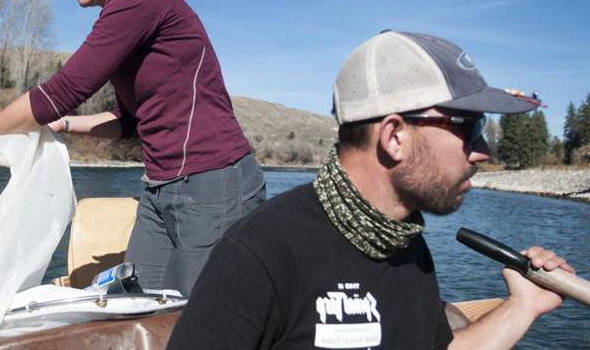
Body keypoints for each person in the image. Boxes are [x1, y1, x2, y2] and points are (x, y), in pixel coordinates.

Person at [167, 30, 574, 349]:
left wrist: (525, 305)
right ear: (394, 135)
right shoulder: (259, 253)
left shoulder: (405, 244)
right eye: (469, 128)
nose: (483, 152)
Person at [0, 0, 265, 297]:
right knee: (139, 306)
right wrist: (65, 124)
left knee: (206, 321)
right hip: (160, 189)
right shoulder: (123, 14)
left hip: (212, 182)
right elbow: (128, 124)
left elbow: (62, 90)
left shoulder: (140, 1)